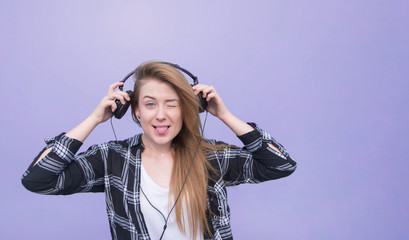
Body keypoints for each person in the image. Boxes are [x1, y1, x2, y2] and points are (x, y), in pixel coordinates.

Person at [22, 61, 297, 240]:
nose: (161, 115)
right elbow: (38, 179)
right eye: (151, 104)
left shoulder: (208, 156)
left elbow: (280, 165)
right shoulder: (112, 159)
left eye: (172, 104)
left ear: (187, 108)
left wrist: (225, 115)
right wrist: (94, 119)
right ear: (136, 109)